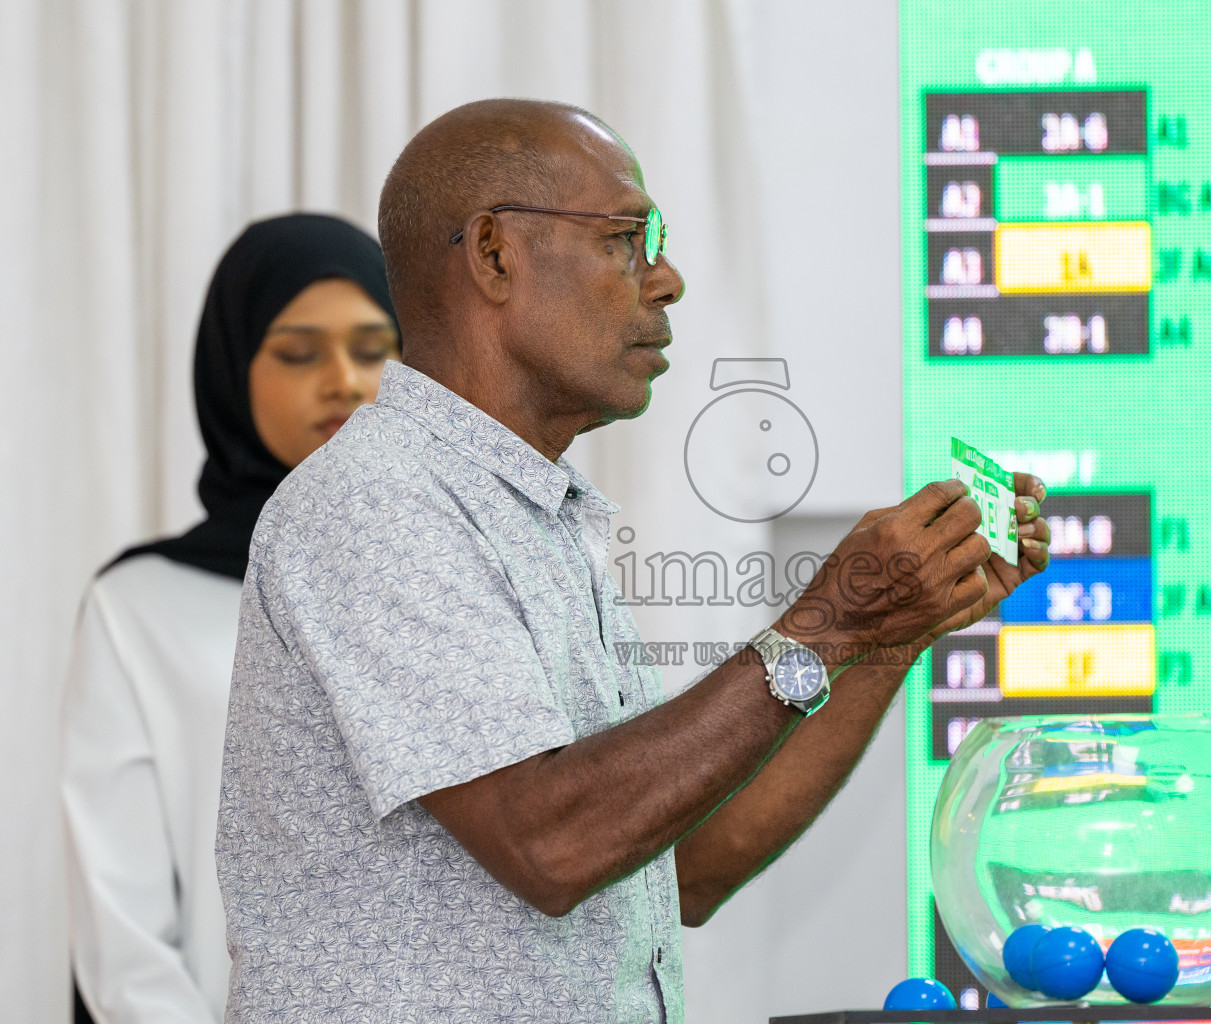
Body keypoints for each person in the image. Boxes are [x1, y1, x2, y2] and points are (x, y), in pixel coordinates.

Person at [216, 99, 1052, 1024]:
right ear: (494, 253)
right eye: (628, 238)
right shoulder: (377, 500)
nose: (668, 280)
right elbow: (551, 844)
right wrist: (828, 622)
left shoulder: (537, 515)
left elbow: (686, 864)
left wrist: (885, 637)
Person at [61, 213, 400, 1024]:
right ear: (231, 368)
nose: (344, 381)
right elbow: (125, 942)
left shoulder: (449, 583)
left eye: (373, 349)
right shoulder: (141, 607)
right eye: (297, 352)